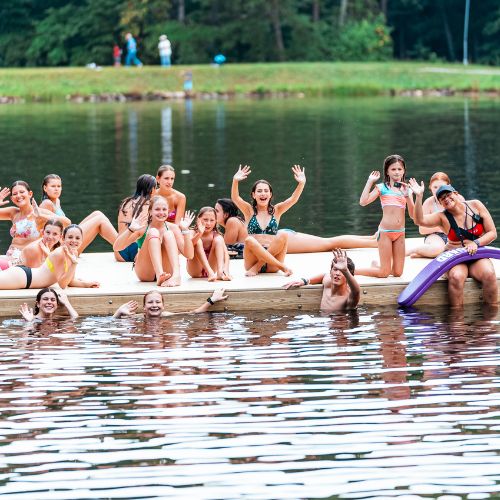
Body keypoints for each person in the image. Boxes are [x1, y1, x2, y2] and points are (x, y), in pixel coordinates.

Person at [409, 180, 498, 307]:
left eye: (448, 194)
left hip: (476, 254)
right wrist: (418, 197)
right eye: (442, 198)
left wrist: (476, 243)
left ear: (456, 193)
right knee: (457, 277)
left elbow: (492, 233)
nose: (446, 199)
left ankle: (491, 318)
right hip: (454, 257)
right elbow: (419, 220)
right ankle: (457, 323)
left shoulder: (476, 205)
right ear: (441, 204)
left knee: (489, 274)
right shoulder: (441, 217)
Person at [215, 197, 377, 255]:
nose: (213, 214)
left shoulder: (232, 222)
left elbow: (227, 248)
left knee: (330, 243)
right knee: (328, 241)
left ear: (226, 213)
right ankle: (371, 238)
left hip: (280, 241)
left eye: (216, 211)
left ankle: (373, 242)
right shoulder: (236, 221)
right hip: (281, 236)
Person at [231, 164, 306, 276]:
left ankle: (258, 267)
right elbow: (235, 198)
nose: (263, 194)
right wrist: (235, 180)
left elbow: (293, 199)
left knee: (283, 234)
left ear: (270, 195)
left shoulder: (277, 210)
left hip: (272, 261)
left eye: (266, 191)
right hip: (252, 260)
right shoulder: (248, 210)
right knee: (249, 240)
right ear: (253, 195)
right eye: (259, 191)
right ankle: (282, 267)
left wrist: (301, 183)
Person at [113, 196, 194, 287]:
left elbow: (189, 255)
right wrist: (130, 229)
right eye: (157, 209)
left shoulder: (173, 228)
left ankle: (176, 275)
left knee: (169, 234)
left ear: (168, 211)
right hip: (145, 271)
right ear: (150, 211)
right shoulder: (143, 227)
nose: (161, 212)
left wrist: (186, 230)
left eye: (164, 209)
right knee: (153, 232)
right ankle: (159, 275)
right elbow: (117, 248)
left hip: (167, 272)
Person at [356, 154, 415, 277]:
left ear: (404, 171)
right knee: (384, 273)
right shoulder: (382, 188)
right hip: (385, 233)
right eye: (393, 169)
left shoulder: (407, 190)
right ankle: (353, 271)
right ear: (387, 171)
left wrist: (407, 196)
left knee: (398, 273)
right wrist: (370, 181)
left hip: (400, 233)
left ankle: (376, 266)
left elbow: (413, 215)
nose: (397, 172)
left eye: (400, 169)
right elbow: (363, 202)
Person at [0, 224, 99, 290]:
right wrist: (74, 263)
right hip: (23, 278)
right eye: (70, 237)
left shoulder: (73, 253)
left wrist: (86, 284)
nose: (74, 240)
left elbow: (70, 280)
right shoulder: (60, 253)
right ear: (63, 238)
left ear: (82, 240)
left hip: (25, 277)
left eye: (77, 238)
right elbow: (62, 284)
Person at [38, 174, 118, 254]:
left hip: (69, 237)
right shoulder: (47, 203)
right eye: (53, 186)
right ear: (45, 188)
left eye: (59, 186)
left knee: (97, 213)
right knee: (100, 219)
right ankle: (123, 247)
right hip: (64, 247)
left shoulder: (56, 201)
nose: (56, 189)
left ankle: (122, 244)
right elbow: (44, 234)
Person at [283, 249, 360, 312]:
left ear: (349, 276)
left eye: (342, 271)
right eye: (335, 269)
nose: (337, 273)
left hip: (341, 326)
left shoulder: (348, 299)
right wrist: (305, 281)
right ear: (331, 272)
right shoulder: (328, 282)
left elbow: (356, 291)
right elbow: (324, 275)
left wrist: (345, 270)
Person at [0, 181, 56, 265]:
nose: (18, 195)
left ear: (30, 194)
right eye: (15, 194)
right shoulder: (13, 212)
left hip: (28, 259)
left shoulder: (40, 213)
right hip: (11, 257)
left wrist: (42, 216)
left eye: (22, 192)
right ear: (12, 198)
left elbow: (66, 222)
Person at [407, 171, 452, 259]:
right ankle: (414, 250)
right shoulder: (429, 203)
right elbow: (422, 230)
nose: (438, 190)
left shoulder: (457, 199)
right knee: (437, 249)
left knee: (459, 249)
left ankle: (423, 254)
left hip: (455, 235)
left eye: (442, 187)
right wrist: (442, 227)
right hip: (436, 236)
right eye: (435, 187)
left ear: (449, 187)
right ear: (430, 188)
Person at [115, 174, 156, 262]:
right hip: (137, 250)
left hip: (120, 252)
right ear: (152, 189)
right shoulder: (149, 205)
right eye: (155, 188)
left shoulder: (125, 202)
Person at [113, 288, 227, 319]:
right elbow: (112, 321)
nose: (154, 305)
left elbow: (194, 313)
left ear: (163, 306)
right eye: (150, 302)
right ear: (144, 307)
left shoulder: (166, 315)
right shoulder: (138, 317)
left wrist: (212, 300)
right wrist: (118, 312)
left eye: (158, 302)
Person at [187, 207, 231, 281]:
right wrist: (199, 233)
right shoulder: (192, 232)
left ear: (215, 221)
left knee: (219, 239)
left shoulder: (216, 235)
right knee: (198, 241)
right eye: (205, 220)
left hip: (212, 267)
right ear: (198, 219)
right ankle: (210, 272)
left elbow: (226, 255)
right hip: (195, 270)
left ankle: (220, 272)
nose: (208, 223)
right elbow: (188, 247)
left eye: (212, 220)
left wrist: (226, 270)